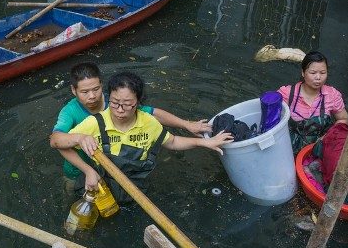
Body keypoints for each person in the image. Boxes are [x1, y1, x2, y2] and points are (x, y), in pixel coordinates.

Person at [52, 71, 233, 201]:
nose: (120, 110)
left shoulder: (148, 121)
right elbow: (58, 143)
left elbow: (173, 141)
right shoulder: (94, 123)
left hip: (135, 186)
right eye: (114, 103)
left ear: (138, 103)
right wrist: (88, 169)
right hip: (101, 184)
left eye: (127, 104)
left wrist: (206, 142)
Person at [277, 51, 348, 153]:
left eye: (323, 73)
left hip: (319, 149)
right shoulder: (286, 94)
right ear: (303, 72)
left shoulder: (332, 95)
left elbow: (343, 119)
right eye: (313, 73)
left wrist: (326, 137)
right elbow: (272, 119)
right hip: (288, 150)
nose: (318, 77)